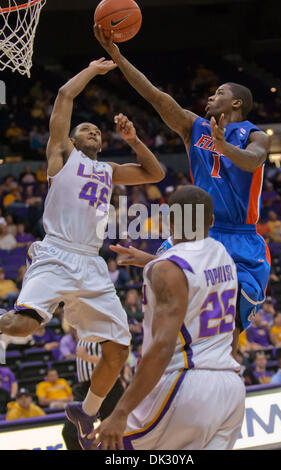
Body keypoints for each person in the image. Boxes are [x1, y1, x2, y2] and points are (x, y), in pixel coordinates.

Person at [0, 57, 164, 451]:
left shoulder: (108, 170)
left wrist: (134, 141)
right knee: (24, 328)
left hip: (91, 263)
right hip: (56, 253)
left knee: (120, 348)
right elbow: (63, 94)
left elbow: (154, 173)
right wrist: (93, 70)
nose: (93, 132)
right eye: (85, 129)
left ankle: (86, 411)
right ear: (71, 140)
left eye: (97, 131)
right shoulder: (62, 157)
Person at [95, 26, 271, 353]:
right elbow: (153, 94)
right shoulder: (194, 127)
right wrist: (118, 58)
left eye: (218, 92)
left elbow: (254, 161)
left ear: (235, 103)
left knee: (229, 330)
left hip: (240, 236)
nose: (210, 96)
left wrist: (225, 147)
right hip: (197, 230)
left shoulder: (255, 135)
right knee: (171, 298)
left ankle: (225, 385)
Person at [89, 185, 245, 450]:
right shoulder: (223, 255)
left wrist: (121, 411)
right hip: (231, 387)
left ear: (169, 220)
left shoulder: (166, 269)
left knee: (106, 447)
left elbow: (162, 347)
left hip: (188, 384)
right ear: (211, 221)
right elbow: (193, 274)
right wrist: (150, 260)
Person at [62, 338, 124, 450]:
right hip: (85, 387)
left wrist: (87, 357)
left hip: (108, 384)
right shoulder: (83, 330)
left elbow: (117, 360)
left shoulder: (106, 329)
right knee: (69, 432)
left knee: (114, 431)